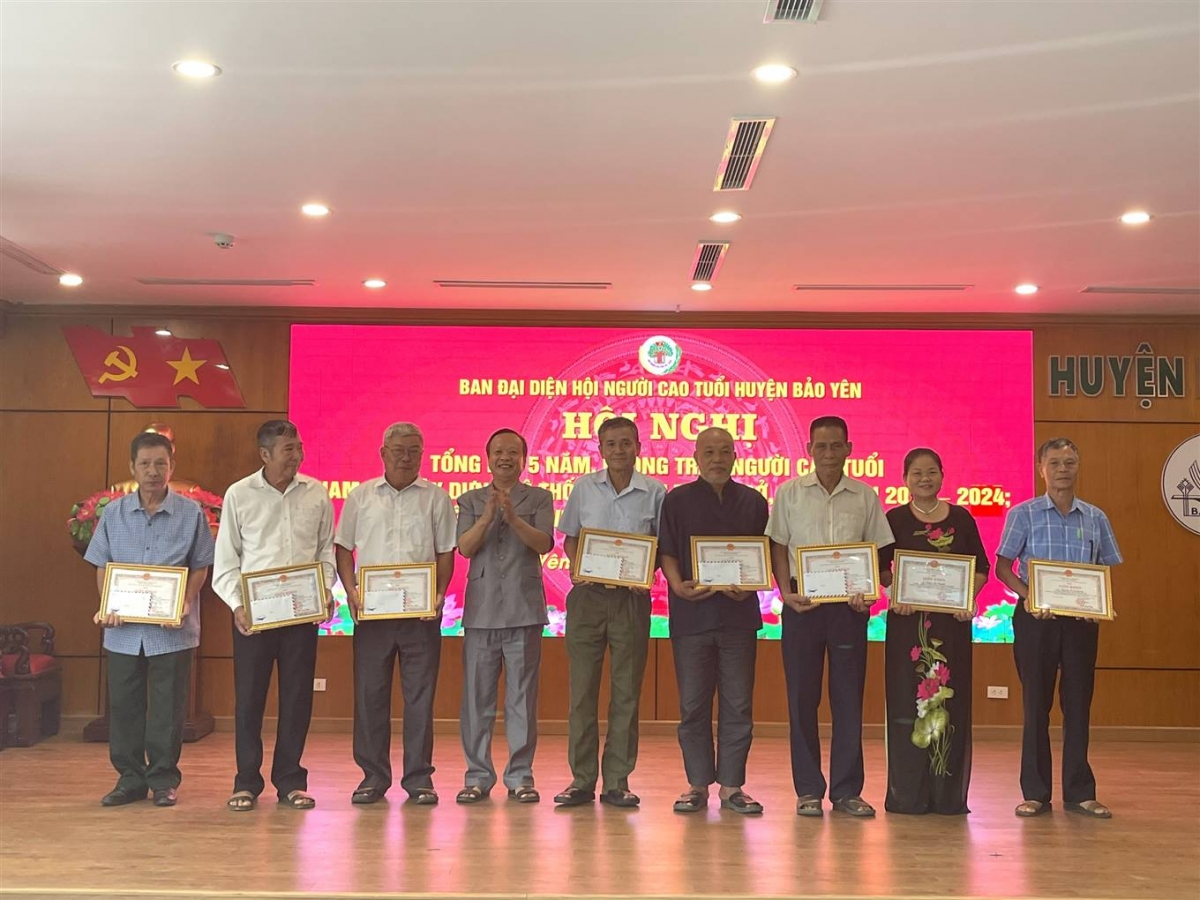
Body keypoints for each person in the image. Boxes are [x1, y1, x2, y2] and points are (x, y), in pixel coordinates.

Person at [766, 415, 894, 818]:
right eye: (820, 446)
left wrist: (869, 594)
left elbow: (877, 552)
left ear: (849, 449)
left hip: (849, 611)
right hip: (803, 607)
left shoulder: (865, 496)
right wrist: (785, 593)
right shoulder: (789, 494)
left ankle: (846, 791)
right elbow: (779, 547)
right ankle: (808, 789)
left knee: (848, 700)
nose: (828, 453)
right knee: (802, 700)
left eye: (836, 445)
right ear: (809, 450)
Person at [85, 432, 214, 807]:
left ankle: (162, 779)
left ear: (172, 467)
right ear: (132, 467)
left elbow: (201, 566)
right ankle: (129, 779)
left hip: (172, 631)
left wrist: (185, 601)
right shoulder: (114, 514)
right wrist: (107, 603)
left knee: (167, 709)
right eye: (145, 464)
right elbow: (102, 565)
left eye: (161, 464)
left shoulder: (191, 514)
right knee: (124, 707)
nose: (153, 471)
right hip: (123, 632)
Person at [996, 437, 1122, 820]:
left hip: (1081, 624)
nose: (1062, 469)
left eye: (1069, 462)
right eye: (1054, 463)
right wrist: (1028, 596)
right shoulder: (1024, 514)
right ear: (1041, 469)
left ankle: (1080, 793)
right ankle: (1035, 793)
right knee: (1036, 705)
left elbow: (1105, 568)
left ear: (1078, 467)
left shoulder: (1096, 517)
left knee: (1078, 704)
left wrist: (1098, 602)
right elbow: (1003, 567)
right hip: (1036, 621)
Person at [212, 420, 335, 811]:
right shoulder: (239, 494)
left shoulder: (316, 492)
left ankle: (290, 781)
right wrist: (237, 605)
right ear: (264, 454)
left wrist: (324, 590)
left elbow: (326, 551)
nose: (297, 456)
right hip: (255, 617)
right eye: (288, 450)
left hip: (302, 614)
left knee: (298, 698)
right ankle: (246, 781)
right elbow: (226, 560)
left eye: (299, 447)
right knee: (250, 699)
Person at [335, 423, 455, 806]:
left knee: (420, 699)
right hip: (372, 616)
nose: (407, 457)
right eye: (399, 450)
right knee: (370, 696)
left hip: (421, 617)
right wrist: (351, 591)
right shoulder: (360, 497)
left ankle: (419, 778)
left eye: (414, 451)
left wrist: (439, 594)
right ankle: (372, 777)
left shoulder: (436, 498)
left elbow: (445, 552)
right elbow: (342, 549)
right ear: (383, 453)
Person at [554, 416, 666, 807]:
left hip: (630, 601)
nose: (619, 450)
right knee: (582, 693)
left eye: (626, 443)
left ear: (639, 447)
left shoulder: (655, 492)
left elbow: (660, 545)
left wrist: (644, 572)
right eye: (611, 444)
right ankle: (581, 780)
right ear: (600, 449)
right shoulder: (584, 488)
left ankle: (617, 781)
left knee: (626, 694)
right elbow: (570, 539)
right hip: (588, 598)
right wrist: (578, 565)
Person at [659, 428, 768, 815]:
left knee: (739, 705)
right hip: (692, 617)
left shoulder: (754, 502)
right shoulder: (677, 500)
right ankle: (697, 785)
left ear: (735, 457)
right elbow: (667, 552)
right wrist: (677, 585)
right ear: (696, 458)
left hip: (738, 618)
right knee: (693, 706)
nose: (717, 459)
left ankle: (732, 787)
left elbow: (764, 555)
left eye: (724, 452)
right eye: (709, 452)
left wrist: (751, 585)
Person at [880, 448, 990, 815]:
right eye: (916, 473)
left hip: (951, 626)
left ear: (942, 475)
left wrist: (967, 598)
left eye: (931, 472)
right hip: (908, 626)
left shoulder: (962, 518)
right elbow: (880, 567)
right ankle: (908, 795)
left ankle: (946, 796)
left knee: (950, 705)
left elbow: (981, 567)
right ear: (904, 479)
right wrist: (895, 593)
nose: (924, 479)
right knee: (907, 705)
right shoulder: (893, 518)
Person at [454, 428, 554, 804]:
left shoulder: (539, 498)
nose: (505, 458)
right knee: (476, 700)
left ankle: (520, 776)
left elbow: (543, 543)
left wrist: (512, 517)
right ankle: (477, 776)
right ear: (488, 458)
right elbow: (465, 547)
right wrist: (487, 517)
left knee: (522, 699)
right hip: (481, 612)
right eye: (498, 452)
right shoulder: (470, 500)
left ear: (524, 459)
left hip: (524, 609)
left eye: (513, 452)